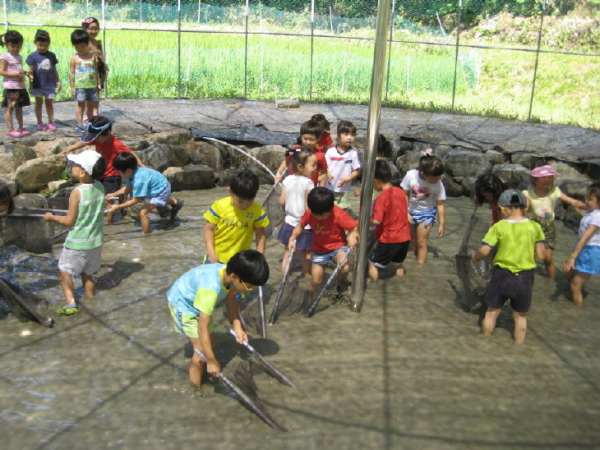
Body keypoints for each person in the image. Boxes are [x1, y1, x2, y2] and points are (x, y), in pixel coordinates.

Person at [167, 250, 270, 387]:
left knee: (211, 342)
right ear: (234, 276)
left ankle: (207, 366)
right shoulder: (211, 288)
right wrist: (210, 359)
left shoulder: (229, 274)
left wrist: (237, 327)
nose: (249, 291)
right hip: (183, 306)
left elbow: (231, 300)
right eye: (249, 287)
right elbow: (203, 326)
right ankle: (195, 391)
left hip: (198, 302)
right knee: (201, 352)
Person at [471, 189, 545, 344]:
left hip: (502, 275)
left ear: (503, 209)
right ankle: (518, 349)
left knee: (492, 312)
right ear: (525, 208)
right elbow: (541, 256)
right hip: (525, 277)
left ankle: (484, 344)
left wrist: (475, 257)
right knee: (520, 316)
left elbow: (485, 250)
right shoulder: (535, 227)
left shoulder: (499, 226)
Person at [43, 150, 107, 316]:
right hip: (95, 242)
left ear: (83, 172)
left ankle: (71, 303)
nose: (72, 168)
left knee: (63, 271)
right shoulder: (100, 187)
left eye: (75, 165)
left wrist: (51, 217)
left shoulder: (77, 192)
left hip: (77, 242)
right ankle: (91, 300)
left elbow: (69, 221)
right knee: (88, 274)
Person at [288, 187, 358, 295]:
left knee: (344, 266)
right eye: (316, 214)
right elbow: (300, 225)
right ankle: (310, 298)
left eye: (323, 215)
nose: (319, 217)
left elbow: (355, 227)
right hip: (319, 249)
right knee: (316, 280)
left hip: (338, 246)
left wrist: (353, 234)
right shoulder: (310, 213)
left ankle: (341, 282)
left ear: (331, 208)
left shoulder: (338, 214)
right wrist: (292, 238)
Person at [522, 164, 586, 280]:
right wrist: (526, 208)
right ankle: (525, 280)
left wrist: (588, 206)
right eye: (543, 177)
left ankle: (550, 282)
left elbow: (571, 201)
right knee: (531, 257)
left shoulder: (554, 191)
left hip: (548, 228)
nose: (547, 180)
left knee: (548, 259)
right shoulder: (527, 194)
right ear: (534, 180)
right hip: (533, 229)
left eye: (550, 177)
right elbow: (523, 210)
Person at [107, 152, 184, 234]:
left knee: (142, 213)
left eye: (118, 172)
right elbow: (127, 188)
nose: (117, 173)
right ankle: (176, 202)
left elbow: (134, 201)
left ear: (128, 170)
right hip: (158, 186)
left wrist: (117, 207)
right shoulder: (132, 173)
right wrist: (113, 194)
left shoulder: (139, 180)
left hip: (161, 189)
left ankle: (147, 235)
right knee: (150, 201)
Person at [204, 170, 270, 265]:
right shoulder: (219, 206)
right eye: (240, 201)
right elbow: (208, 230)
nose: (245, 206)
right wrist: (211, 253)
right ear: (230, 192)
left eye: (250, 201)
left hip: (240, 261)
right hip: (216, 257)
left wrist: (259, 258)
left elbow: (260, 235)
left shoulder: (257, 211)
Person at [276, 147, 317, 277]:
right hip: (304, 224)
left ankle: (284, 274)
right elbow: (308, 207)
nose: (315, 168)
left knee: (288, 251)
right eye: (312, 165)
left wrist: (285, 211)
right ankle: (307, 274)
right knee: (306, 253)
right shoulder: (309, 183)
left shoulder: (287, 180)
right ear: (300, 166)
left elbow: (281, 201)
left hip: (289, 222)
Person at [368, 160, 411, 283]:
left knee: (372, 263)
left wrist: (363, 221)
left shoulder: (381, 198)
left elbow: (376, 220)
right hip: (405, 238)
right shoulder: (400, 192)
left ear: (376, 181)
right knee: (397, 264)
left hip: (389, 239)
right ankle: (401, 285)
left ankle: (373, 287)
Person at [400, 149, 446, 264]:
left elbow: (440, 204)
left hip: (427, 214)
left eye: (439, 177)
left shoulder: (439, 184)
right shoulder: (411, 176)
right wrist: (406, 212)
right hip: (410, 211)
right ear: (422, 173)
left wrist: (442, 223)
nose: (437, 180)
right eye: (434, 178)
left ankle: (420, 270)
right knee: (413, 240)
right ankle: (415, 262)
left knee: (422, 242)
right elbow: (404, 194)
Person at [562, 183, 600, 306]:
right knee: (567, 272)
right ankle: (579, 288)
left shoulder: (598, 216)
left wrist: (573, 256)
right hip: (582, 249)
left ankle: (575, 313)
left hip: (591, 252)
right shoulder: (591, 212)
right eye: (586, 197)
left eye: (590, 199)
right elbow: (585, 227)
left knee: (574, 286)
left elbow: (585, 237)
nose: (586, 201)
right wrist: (580, 216)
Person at [26, 29, 61, 132]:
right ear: (35, 43)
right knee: (39, 103)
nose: (42, 47)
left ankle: (50, 122)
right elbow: (31, 72)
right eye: (40, 45)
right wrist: (31, 85)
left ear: (49, 44)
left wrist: (58, 81)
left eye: (45, 45)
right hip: (38, 85)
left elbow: (54, 69)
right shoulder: (32, 56)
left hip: (50, 84)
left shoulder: (51, 55)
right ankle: (39, 122)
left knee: (49, 104)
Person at [275, 119, 327, 187]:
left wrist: (321, 186)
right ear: (301, 136)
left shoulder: (319, 155)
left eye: (311, 139)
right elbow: (286, 161)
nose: (307, 142)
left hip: (310, 187)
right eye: (305, 139)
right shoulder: (295, 150)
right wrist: (279, 173)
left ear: (319, 138)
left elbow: (324, 171)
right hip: (293, 185)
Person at [0, 30, 31, 138]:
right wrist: (15, 75)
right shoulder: (5, 56)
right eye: (13, 46)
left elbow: (19, 70)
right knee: (10, 108)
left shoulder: (19, 56)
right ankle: (10, 129)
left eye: (18, 46)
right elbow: (1, 71)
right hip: (11, 87)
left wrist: (25, 74)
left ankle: (21, 128)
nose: (15, 48)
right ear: (6, 44)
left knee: (19, 107)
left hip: (20, 86)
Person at [325, 120, 361, 210]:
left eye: (352, 135)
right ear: (338, 136)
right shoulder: (331, 151)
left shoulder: (353, 153)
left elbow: (356, 171)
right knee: (327, 209)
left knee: (341, 211)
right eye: (346, 134)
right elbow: (325, 166)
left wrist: (346, 179)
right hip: (329, 187)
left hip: (343, 190)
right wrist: (328, 175)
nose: (349, 138)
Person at [69, 29, 100, 132]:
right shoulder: (75, 58)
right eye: (77, 47)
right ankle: (79, 124)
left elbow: (96, 70)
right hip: (80, 87)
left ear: (87, 44)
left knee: (90, 106)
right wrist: (72, 87)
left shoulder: (92, 56)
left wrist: (98, 83)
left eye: (82, 46)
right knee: (81, 106)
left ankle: (90, 124)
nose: (80, 49)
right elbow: (71, 73)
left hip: (92, 86)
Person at [81, 16, 107, 115]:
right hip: (88, 71)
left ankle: (95, 112)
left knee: (97, 93)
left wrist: (104, 72)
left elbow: (102, 56)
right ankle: (88, 113)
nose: (93, 31)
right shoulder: (84, 43)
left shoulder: (98, 43)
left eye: (96, 29)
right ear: (85, 29)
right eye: (91, 29)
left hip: (98, 70)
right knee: (88, 94)